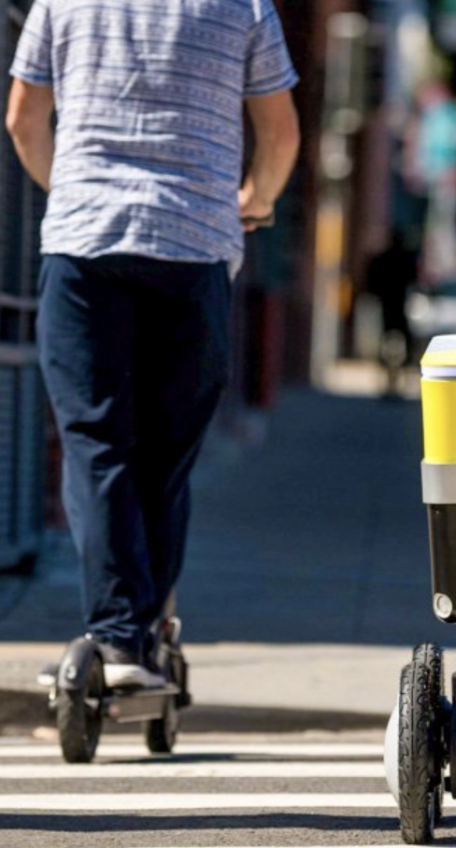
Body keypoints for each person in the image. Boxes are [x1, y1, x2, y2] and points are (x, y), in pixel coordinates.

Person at [5, 0, 300, 688]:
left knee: (96, 442)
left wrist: (74, 191)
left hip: (86, 248)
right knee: (165, 455)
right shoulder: (244, 5)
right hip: (192, 247)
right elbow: (280, 132)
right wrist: (255, 198)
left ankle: (117, 636)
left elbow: (24, 116)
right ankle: (137, 634)